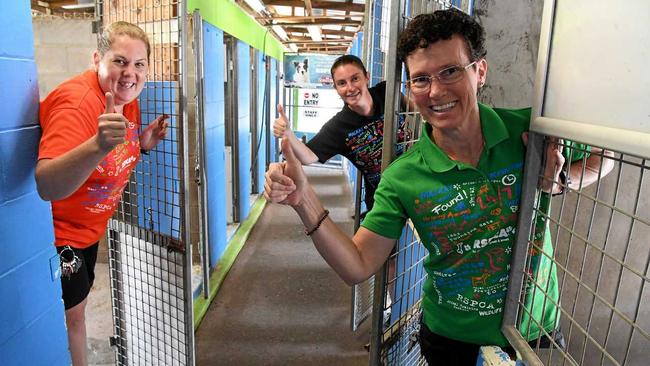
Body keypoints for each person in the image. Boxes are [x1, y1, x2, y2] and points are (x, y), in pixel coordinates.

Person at [264, 9, 614, 365]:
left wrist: (562, 181)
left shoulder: (529, 131)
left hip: (533, 327)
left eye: (450, 71)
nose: (436, 91)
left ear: (479, 71)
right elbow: (356, 264)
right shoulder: (402, 177)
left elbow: (607, 153)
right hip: (452, 338)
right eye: (420, 79)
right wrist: (303, 198)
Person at [36, 21, 168, 366]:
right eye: (120, 61)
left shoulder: (128, 98)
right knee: (73, 318)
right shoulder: (77, 105)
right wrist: (97, 144)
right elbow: (46, 185)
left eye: (139, 64)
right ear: (97, 58)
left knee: (76, 309)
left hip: (89, 230)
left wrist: (142, 145)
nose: (130, 73)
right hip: (60, 235)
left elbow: (115, 152)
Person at [274, 54, 410, 211]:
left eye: (355, 79)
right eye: (342, 83)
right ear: (336, 89)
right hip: (384, 199)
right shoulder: (337, 127)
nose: (350, 88)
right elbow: (308, 156)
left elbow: (413, 110)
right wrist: (288, 133)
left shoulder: (386, 92)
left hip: (416, 179)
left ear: (367, 77)